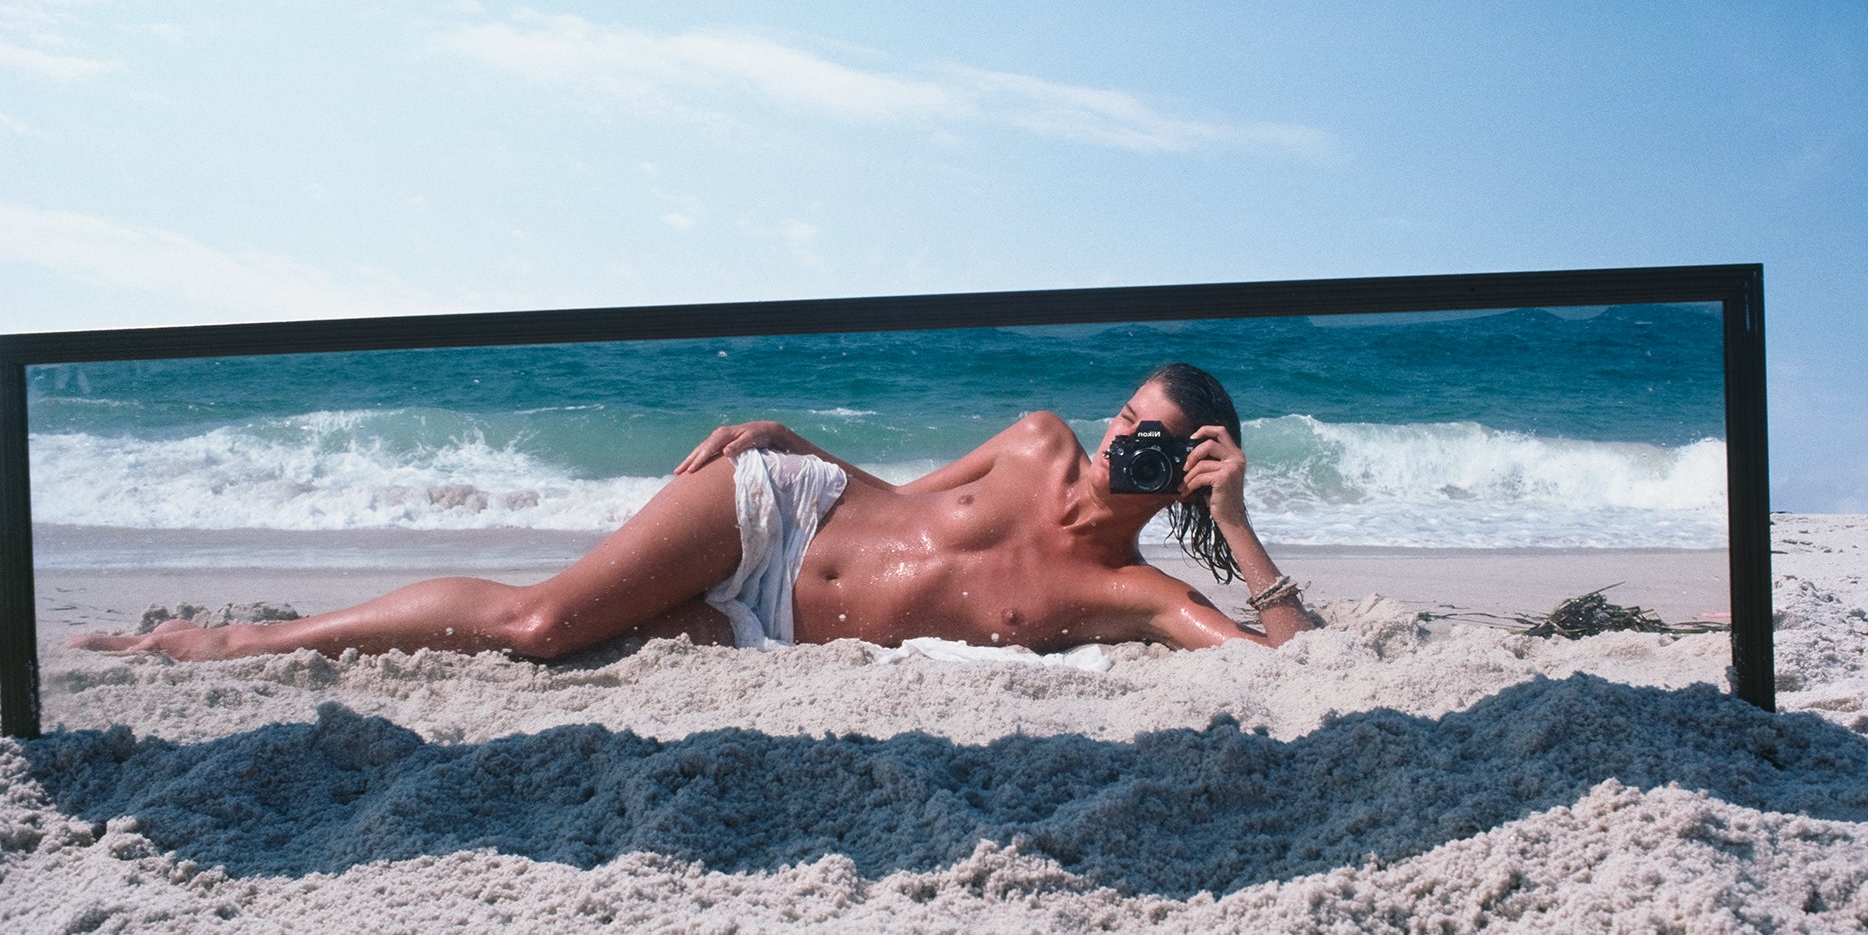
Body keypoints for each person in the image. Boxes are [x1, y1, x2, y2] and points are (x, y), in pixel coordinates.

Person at [72, 363, 1318, 661]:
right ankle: (242, 643)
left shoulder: (1133, 595)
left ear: (1192, 468)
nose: (1123, 442)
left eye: (1159, 443)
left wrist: (1240, 525)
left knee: (595, 650)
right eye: (1125, 420)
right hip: (777, 514)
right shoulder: (1034, 439)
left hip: (770, 638)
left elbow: (1284, 663)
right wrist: (793, 442)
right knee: (541, 625)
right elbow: (901, 500)